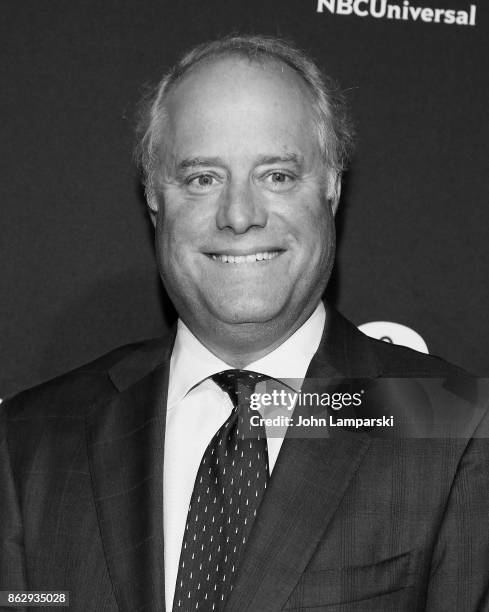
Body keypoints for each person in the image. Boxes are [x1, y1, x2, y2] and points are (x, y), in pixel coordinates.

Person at [1, 35, 488, 612]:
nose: (239, 215)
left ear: (331, 187)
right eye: (203, 178)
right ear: (155, 199)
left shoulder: (454, 424)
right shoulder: (32, 440)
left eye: (277, 175)